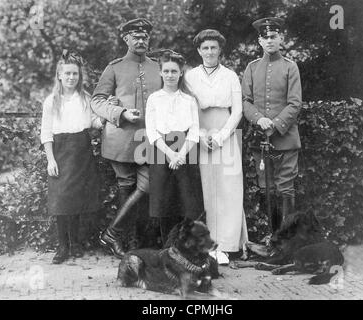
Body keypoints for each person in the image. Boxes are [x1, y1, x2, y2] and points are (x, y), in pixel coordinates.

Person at [91, 18, 161, 257]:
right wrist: (120, 112)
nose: (141, 41)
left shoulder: (159, 67)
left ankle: (114, 234)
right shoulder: (115, 67)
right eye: (135, 37)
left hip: (151, 140)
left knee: (149, 187)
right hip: (121, 140)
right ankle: (125, 242)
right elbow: (97, 101)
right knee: (125, 186)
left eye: (144, 37)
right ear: (126, 39)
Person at [185, 29, 248, 264]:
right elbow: (188, 109)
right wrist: (201, 135)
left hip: (226, 132)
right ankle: (207, 244)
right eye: (205, 48)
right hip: (199, 132)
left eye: (214, 47)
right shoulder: (190, 76)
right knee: (205, 187)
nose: (209, 52)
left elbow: (238, 111)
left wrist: (221, 136)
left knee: (229, 187)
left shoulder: (230, 75)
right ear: (199, 51)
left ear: (220, 50)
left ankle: (228, 244)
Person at [40, 50, 103, 264]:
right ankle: (62, 246)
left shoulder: (85, 98)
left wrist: (103, 121)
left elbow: (93, 120)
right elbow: (46, 132)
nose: (71, 78)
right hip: (60, 150)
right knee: (61, 200)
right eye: (67, 74)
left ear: (79, 76)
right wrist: (51, 159)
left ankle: (75, 243)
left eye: (75, 74)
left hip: (81, 150)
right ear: (59, 75)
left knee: (77, 200)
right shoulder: (51, 101)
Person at [241, 17, 302, 235]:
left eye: (273, 36)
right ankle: (273, 239)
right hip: (261, 140)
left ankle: (288, 240)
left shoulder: (290, 67)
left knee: (285, 187)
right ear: (259, 41)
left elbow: (295, 103)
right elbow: (245, 101)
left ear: (280, 39)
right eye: (265, 37)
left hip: (285, 139)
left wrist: (275, 124)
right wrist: (259, 119)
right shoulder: (252, 68)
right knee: (266, 189)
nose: (269, 40)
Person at [145, 50, 204, 245]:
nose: (170, 75)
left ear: (181, 73)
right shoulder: (154, 98)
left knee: (188, 202)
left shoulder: (189, 99)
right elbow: (152, 131)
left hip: (186, 151)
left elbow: (194, 131)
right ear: (161, 73)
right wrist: (170, 154)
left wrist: (180, 155)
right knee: (164, 201)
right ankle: (168, 248)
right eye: (166, 71)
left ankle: (187, 248)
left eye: (174, 71)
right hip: (162, 151)